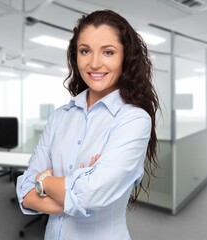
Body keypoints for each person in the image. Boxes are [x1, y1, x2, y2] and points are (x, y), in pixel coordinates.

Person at [16, 9, 159, 240]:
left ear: (125, 57)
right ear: (76, 56)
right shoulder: (60, 117)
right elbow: (24, 191)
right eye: (85, 51)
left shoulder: (133, 120)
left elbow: (89, 196)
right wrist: (75, 187)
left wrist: (42, 180)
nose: (94, 63)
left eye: (108, 52)